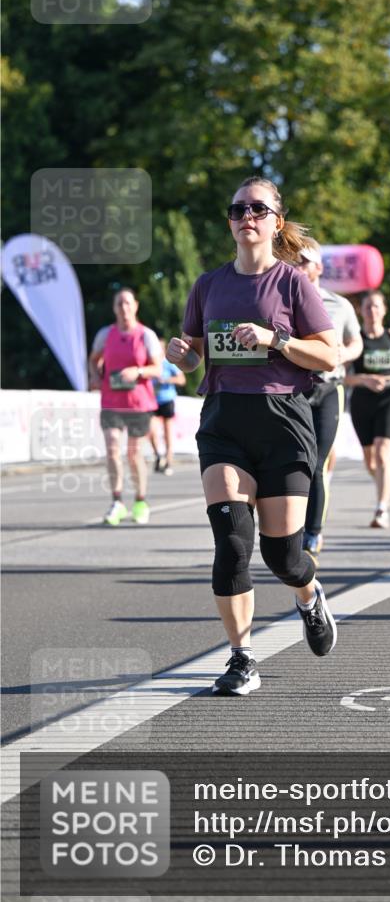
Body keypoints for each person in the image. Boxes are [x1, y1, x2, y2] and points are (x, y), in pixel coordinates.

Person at [166, 177, 337, 696]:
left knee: (283, 556)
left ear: (275, 222)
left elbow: (328, 355)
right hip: (224, 421)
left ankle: (308, 596)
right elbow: (197, 354)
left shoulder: (292, 284)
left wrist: (276, 339)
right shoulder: (208, 285)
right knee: (232, 544)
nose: (248, 216)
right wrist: (183, 356)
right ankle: (241, 657)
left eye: (259, 209)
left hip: (283, 422)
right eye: (239, 208)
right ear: (231, 221)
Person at [294, 238, 363, 558]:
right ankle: (289, 527)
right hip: (296, 388)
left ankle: (313, 533)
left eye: (304, 262)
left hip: (329, 388)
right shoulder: (284, 302)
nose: (298, 266)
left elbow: (356, 342)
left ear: (319, 267)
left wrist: (343, 354)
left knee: (317, 463)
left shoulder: (340, 305)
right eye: (294, 261)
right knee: (296, 462)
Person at [345, 290, 390, 528]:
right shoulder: (355, 339)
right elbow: (341, 375)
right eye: (368, 307)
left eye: (376, 306)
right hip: (362, 402)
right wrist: (364, 379)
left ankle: (381, 508)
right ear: (361, 311)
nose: (372, 311)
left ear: (384, 310)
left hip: (389, 398)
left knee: (382, 451)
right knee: (370, 460)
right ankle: (382, 488)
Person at [89, 288, 162, 526]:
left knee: (133, 453)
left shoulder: (146, 335)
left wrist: (137, 371)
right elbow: (94, 359)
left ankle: (141, 501)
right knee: (111, 449)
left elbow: (158, 369)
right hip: (111, 401)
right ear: (114, 308)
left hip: (138, 404)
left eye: (128, 303)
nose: (124, 308)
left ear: (136, 306)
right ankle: (117, 502)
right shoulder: (105, 334)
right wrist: (96, 378)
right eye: (119, 303)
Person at [149, 338, 186, 475]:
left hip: (167, 399)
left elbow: (182, 380)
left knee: (167, 431)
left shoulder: (168, 363)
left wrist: (166, 380)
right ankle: (158, 455)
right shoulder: (149, 363)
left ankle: (168, 460)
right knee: (151, 431)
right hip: (151, 401)